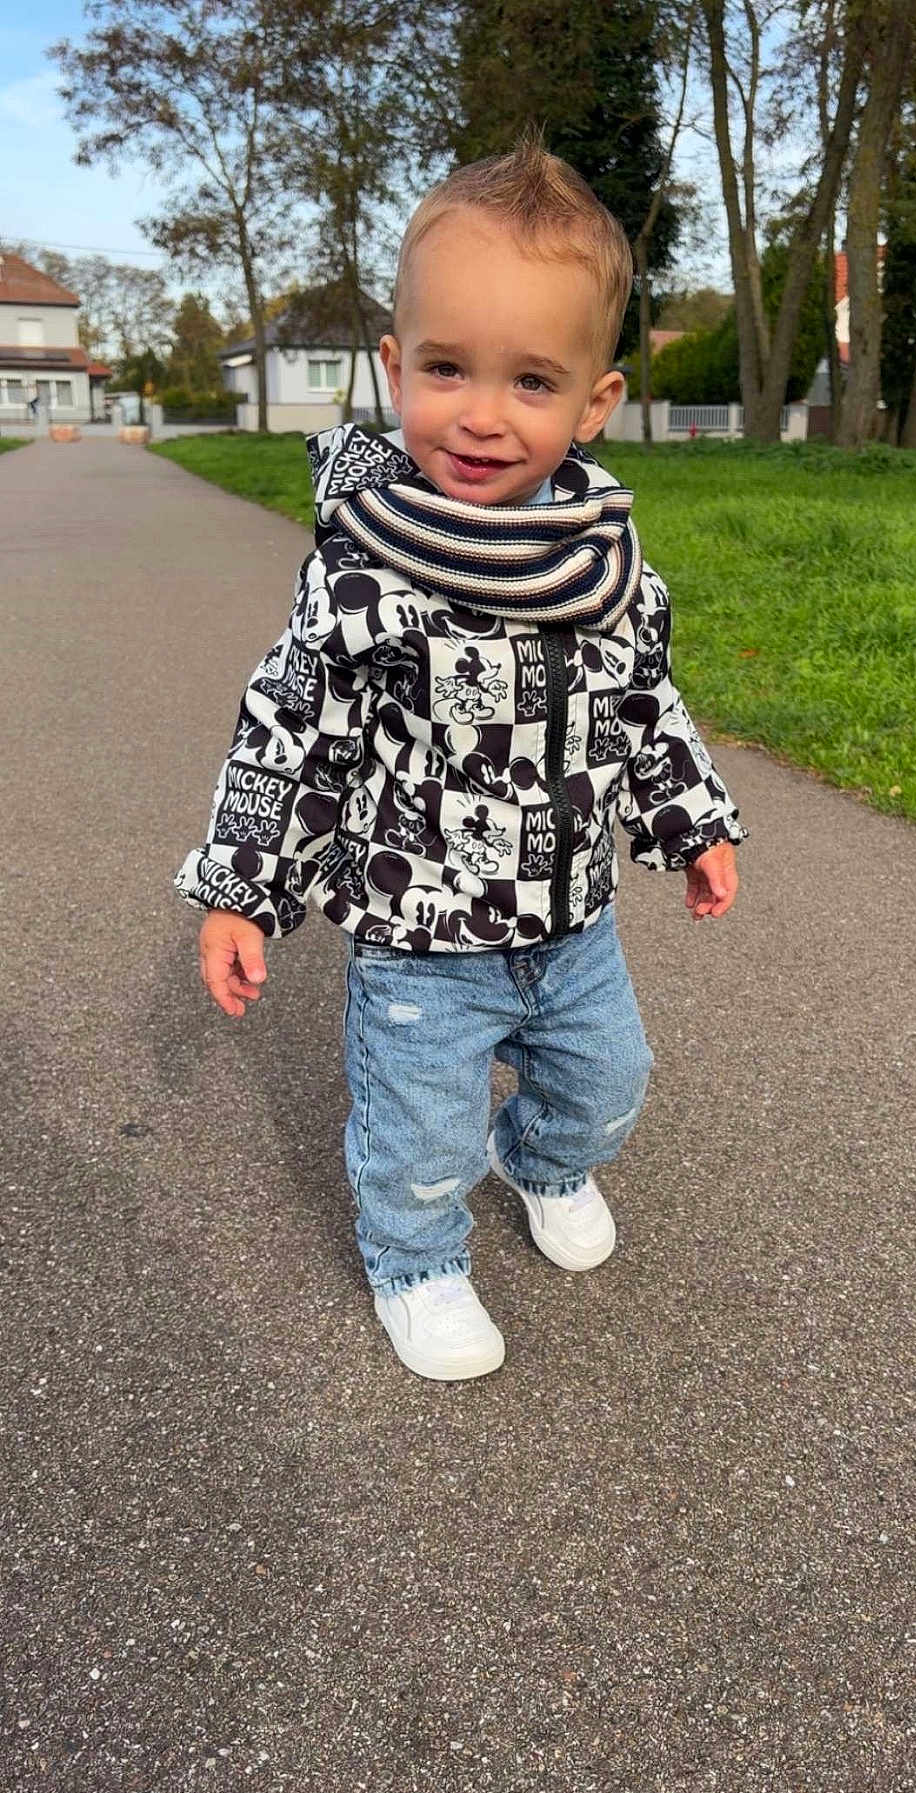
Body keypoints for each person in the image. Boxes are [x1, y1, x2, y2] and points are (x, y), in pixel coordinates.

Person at [175, 138, 748, 1382]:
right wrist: (241, 889)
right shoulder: (365, 569)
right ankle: (418, 1260)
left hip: (573, 922)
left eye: (532, 381)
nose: (483, 413)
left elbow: (642, 700)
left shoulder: (603, 566)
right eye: (446, 368)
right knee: (422, 1129)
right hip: (421, 935)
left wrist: (692, 819)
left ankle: (542, 1160)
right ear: (395, 370)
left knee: (609, 1081)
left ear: (593, 403)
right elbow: (290, 730)